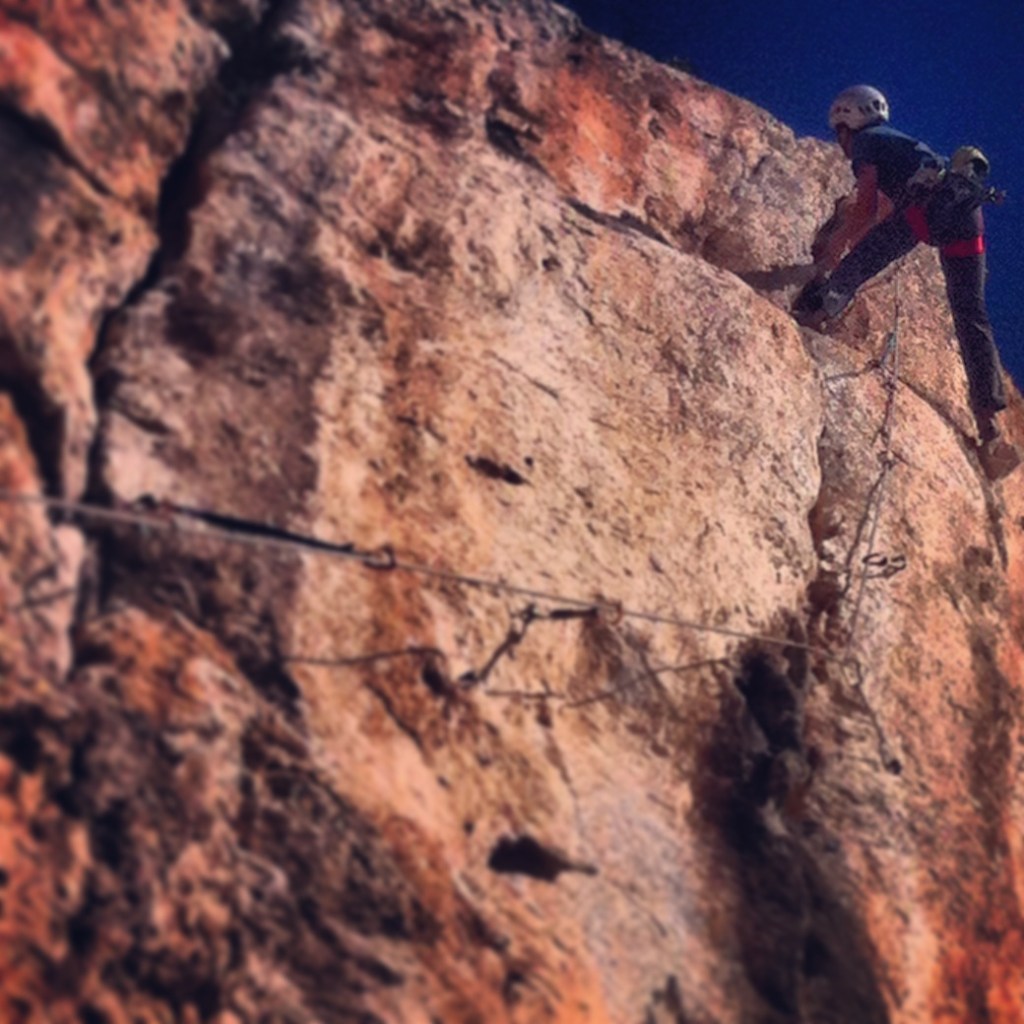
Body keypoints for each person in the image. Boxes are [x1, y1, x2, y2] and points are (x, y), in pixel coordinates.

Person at [795, 85, 1016, 475]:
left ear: (849, 123)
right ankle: (990, 432)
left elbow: (864, 211)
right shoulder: (905, 144)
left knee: (859, 264)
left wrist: (828, 262)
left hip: (924, 214)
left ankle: (815, 314)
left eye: (839, 132)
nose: (841, 142)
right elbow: (880, 216)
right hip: (966, 217)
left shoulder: (867, 143)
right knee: (972, 317)